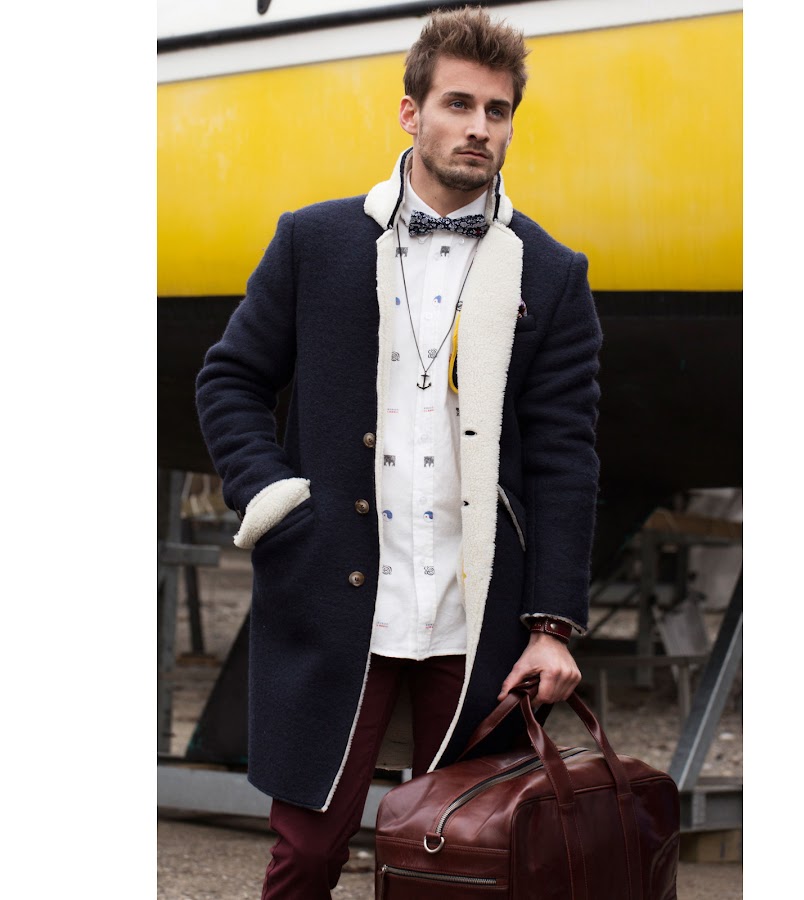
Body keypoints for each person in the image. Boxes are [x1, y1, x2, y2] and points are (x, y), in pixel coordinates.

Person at [195, 6, 602, 897]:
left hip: (476, 613)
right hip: (337, 589)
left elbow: (567, 457)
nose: (480, 127)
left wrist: (552, 625)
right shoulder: (313, 241)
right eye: (459, 104)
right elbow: (229, 380)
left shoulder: (551, 271)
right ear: (411, 113)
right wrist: (273, 497)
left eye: (497, 111)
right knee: (308, 850)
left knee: (461, 859)